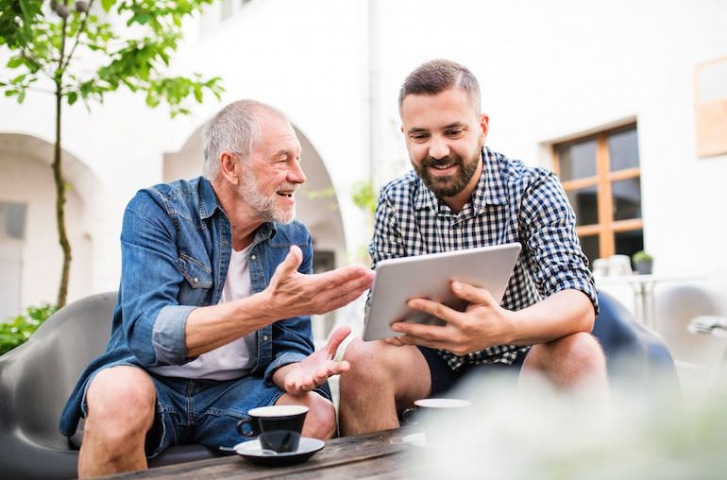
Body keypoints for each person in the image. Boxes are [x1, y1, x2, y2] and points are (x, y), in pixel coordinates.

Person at [59, 100, 374, 477]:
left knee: (313, 414)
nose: (299, 175)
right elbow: (147, 332)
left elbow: (289, 343)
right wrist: (267, 307)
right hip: (152, 382)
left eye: (299, 159)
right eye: (282, 159)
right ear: (230, 166)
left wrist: (292, 369)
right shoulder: (157, 211)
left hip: (237, 393)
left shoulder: (293, 238)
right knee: (117, 397)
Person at [338, 59, 609, 435]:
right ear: (405, 135)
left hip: (520, 357)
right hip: (432, 365)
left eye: (453, 131)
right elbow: (381, 315)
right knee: (362, 358)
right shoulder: (395, 200)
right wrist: (397, 326)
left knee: (579, 350)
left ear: (481, 128)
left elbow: (578, 302)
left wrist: (503, 327)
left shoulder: (531, 186)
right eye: (420, 136)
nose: (437, 151)